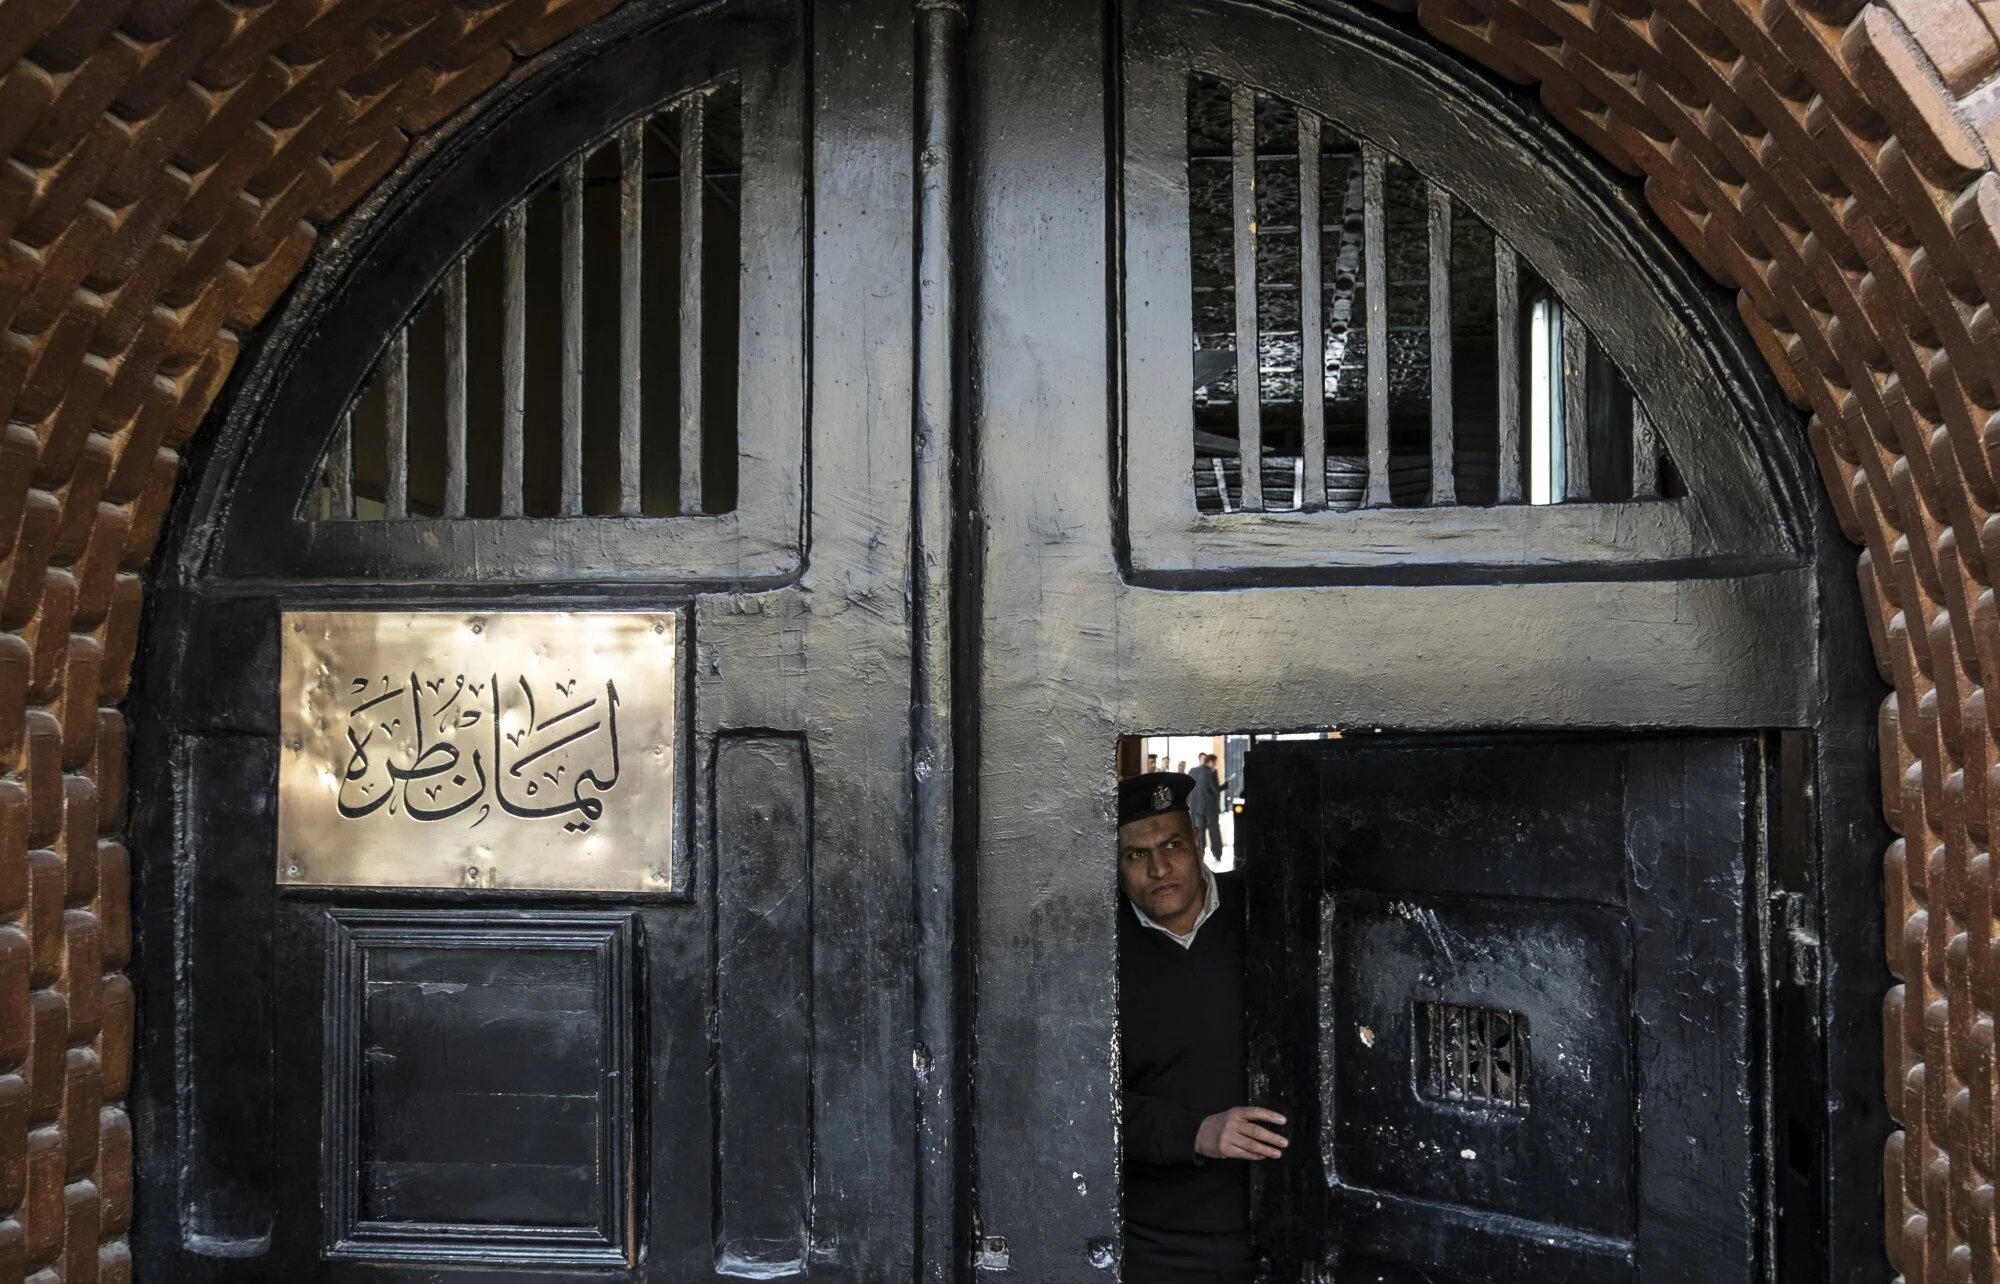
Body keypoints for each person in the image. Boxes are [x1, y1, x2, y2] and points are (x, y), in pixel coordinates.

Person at [1118, 771, 1287, 1283]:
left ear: (1196, 840)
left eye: (1172, 845)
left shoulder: (1270, 913)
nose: (1159, 868)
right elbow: (1073, 1100)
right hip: (1156, 1237)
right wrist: (1194, 1132)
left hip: (1287, 1220)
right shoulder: (1094, 950)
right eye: (1136, 854)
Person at [1188, 753, 1226, 864]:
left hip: (1196, 808)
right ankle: (1217, 854)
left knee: (1199, 834)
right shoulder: (1211, 772)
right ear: (1211, 762)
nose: (1215, 765)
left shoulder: (1192, 771)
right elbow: (1215, 790)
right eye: (1215, 762)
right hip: (1210, 808)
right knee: (1214, 833)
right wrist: (1225, 785)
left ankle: (1200, 856)